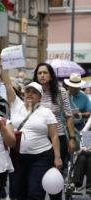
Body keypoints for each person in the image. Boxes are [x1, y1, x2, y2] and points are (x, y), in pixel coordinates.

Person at [2, 70, 63, 199]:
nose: (30, 94)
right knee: (18, 192)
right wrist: (3, 67)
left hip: (41, 157)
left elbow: (54, 136)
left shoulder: (46, 112)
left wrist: (57, 157)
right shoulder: (15, 105)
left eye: (34, 92)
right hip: (18, 156)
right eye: (28, 91)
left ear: (40, 97)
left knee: (35, 192)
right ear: (24, 94)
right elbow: (7, 85)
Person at [33, 63, 76, 200]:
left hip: (58, 138)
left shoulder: (60, 91)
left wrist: (72, 138)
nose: (42, 75)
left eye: (45, 73)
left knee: (55, 176)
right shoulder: (32, 91)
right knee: (38, 178)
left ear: (51, 75)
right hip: (38, 139)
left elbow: (68, 116)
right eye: (39, 73)